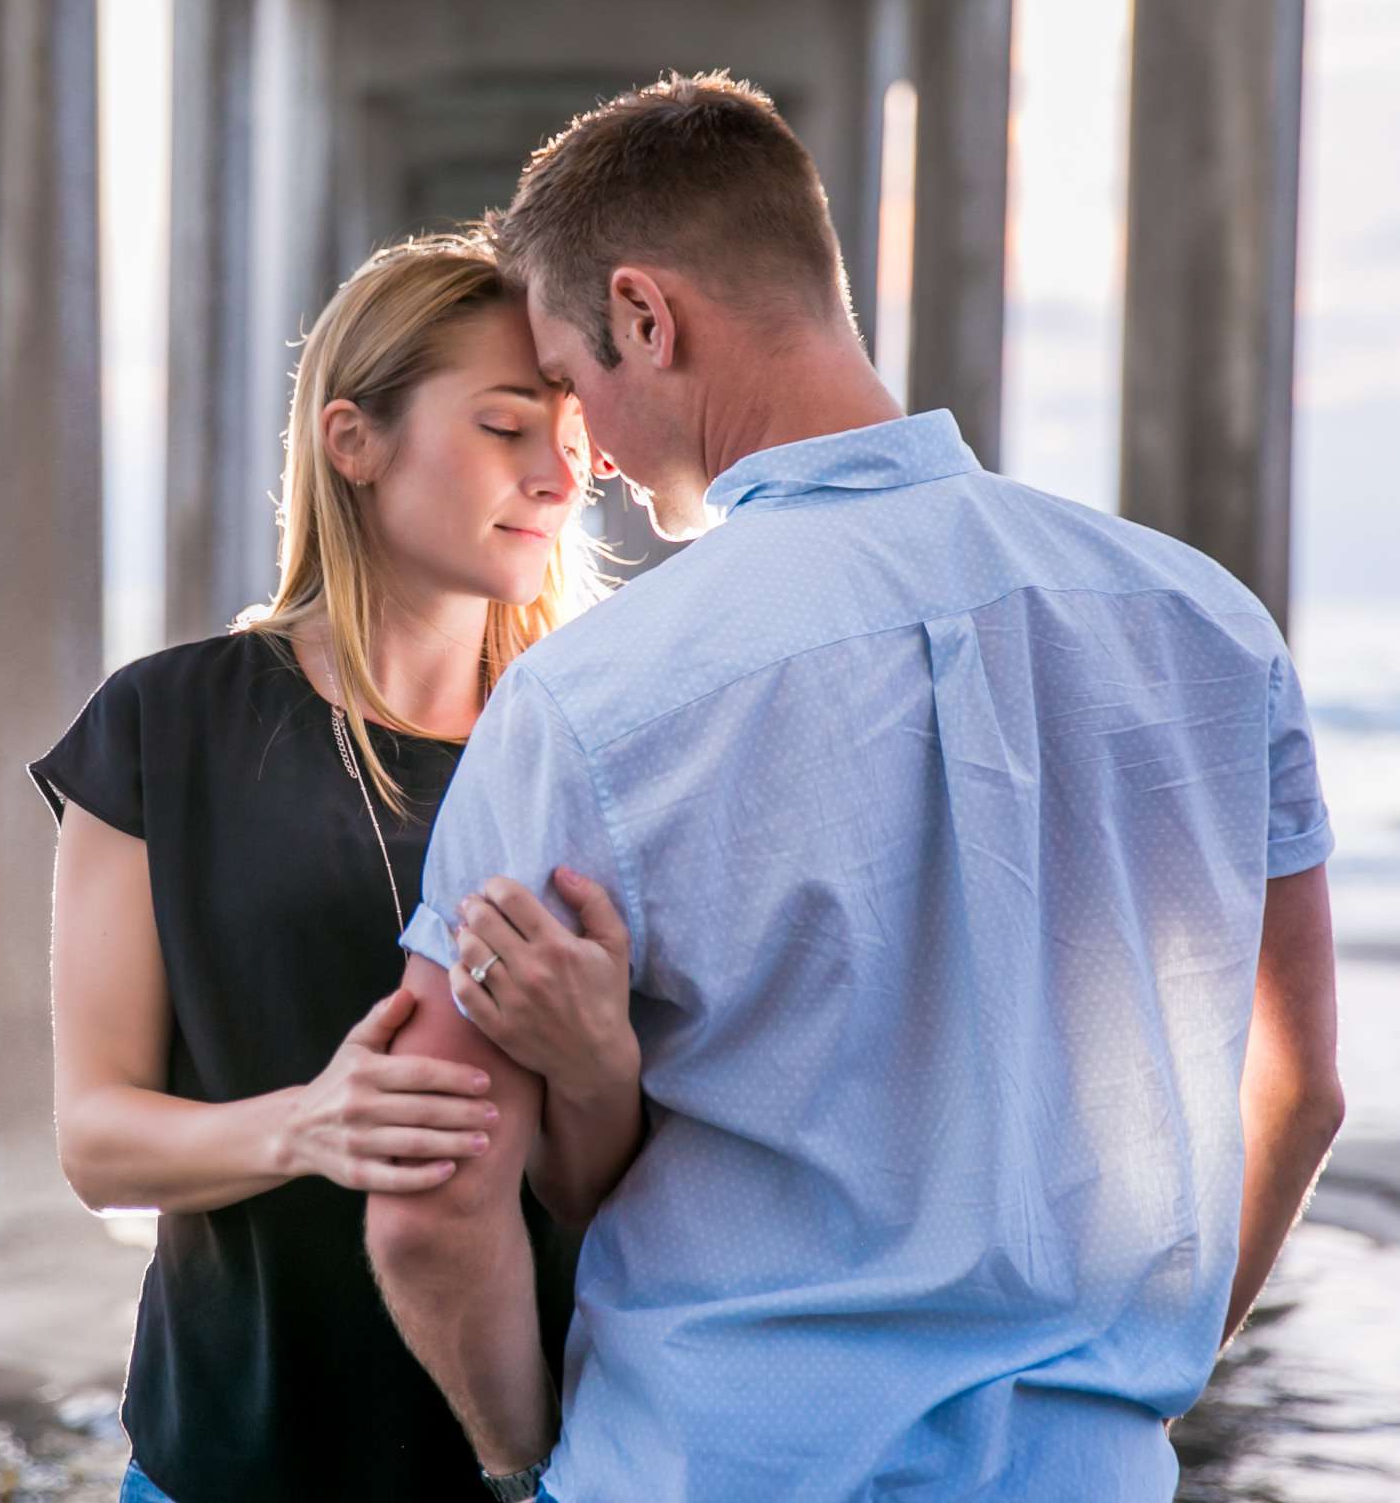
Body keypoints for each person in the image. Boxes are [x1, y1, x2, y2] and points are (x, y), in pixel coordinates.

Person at [363, 72, 1345, 1502]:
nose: (589, 457)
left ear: (647, 315)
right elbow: (1298, 1089)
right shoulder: (1207, 622)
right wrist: (1140, 1374)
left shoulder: (592, 698)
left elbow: (431, 1196)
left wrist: (529, 1461)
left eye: (576, 385)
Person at [29, 232, 637, 1502]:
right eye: (504, 426)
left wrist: (598, 1067)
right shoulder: (164, 723)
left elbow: (603, 1185)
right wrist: (309, 1125)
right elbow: (96, 1139)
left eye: (571, 437)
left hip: (545, 1455)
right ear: (353, 441)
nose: (557, 476)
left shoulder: (589, 746)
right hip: (231, 1454)